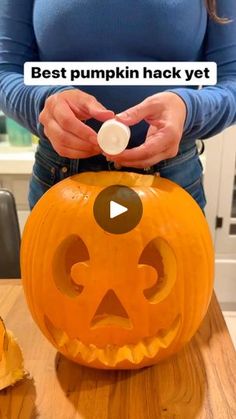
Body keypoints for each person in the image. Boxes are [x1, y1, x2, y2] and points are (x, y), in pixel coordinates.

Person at [0, 0, 236, 211]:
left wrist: (189, 108)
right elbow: (5, 71)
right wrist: (43, 103)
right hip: (61, 179)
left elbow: (232, 81)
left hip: (171, 177)